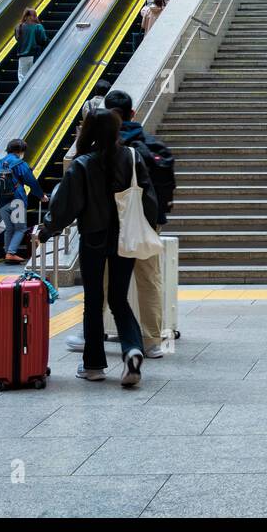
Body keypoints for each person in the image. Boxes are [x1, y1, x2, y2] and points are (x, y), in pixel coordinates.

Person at [38, 108, 156, 386]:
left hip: (93, 237)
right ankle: (132, 349)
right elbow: (149, 196)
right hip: (125, 237)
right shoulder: (131, 157)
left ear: (88, 131)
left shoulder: (82, 164)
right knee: (118, 297)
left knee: (93, 301)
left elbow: (66, 206)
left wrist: (46, 230)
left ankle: (93, 366)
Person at [106, 89, 176, 359]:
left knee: (104, 279)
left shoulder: (103, 147)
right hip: (146, 223)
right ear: (132, 113)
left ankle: (92, 332)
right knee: (149, 279)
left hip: (111, 222)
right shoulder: (150, 145)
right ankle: (152, 340)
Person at [0, 138, 46, 264]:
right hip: (16, 201)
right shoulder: (19, 164)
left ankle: (7, 252)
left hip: (1, 202)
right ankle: (11, 253)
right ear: (21, 151)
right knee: (20, 228)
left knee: (9, 228)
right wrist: (41, 196)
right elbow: (31, 182)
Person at [13, 8, 47, 85]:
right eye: (35, 15)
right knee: (35, 79)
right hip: (35, 56)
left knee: (22, 80)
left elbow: (17, 38)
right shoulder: (38, 27)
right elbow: (43, 40)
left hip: (22, 57)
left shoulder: (18, 27)